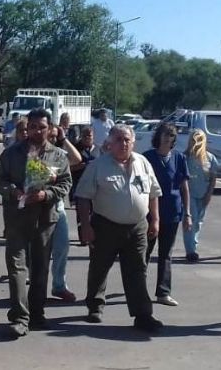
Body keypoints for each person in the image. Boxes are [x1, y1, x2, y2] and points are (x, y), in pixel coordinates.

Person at [74, 124, 164, 332]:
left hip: (138, 226)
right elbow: (83, 198)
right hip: (106, 225)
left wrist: (155, 220)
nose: (123, 144)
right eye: (119, 140)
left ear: (133, 142)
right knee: (100, 267)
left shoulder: (143, 163)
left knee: (137, 271)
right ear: (109, 143)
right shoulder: (98, 166)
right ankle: (95, 307)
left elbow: (153, 193)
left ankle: (143, 315)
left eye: (127, 140)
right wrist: (85, 226)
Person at [0, 108, 71, 337]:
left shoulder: (58, 155)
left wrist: (45, 195)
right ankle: (20, 316)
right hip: (17, 219)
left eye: (42, 127)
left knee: (40, 268)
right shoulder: (11, 154)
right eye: (33, 127)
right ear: (26, 128)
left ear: (50, 129)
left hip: (44, 219)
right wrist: (14, 192)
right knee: (17, 268)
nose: (37, 131)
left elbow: (66, 183)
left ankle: (36, 313)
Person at [143, 123, 191, 307]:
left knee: (166, 254)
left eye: (170, 135)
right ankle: (138, 288)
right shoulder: (148, 157)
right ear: (158, 136)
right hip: (150, 213)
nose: (167, 137)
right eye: (164, 134)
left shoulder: (179, 158)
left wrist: (187, 213)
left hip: (172, 212)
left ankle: (163, 292)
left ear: (174, 139)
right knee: (144, 252)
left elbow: (184, 186)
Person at [48, 124, 83, 303]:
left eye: (55, 137)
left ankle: (59, 285)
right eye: (51, 136)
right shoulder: (32, 153)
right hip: (36, 208)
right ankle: (34, 288)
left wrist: (63, 139)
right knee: (36, 252)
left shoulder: (59, 155)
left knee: (62, 247)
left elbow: (77, 159)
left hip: (58, 208)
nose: (53, 140)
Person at [183, 129, 218, 262]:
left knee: (198, 222)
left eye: (199, 139)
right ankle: (190, 250)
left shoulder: (210, 158)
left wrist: (209, 194)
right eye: (194, 139)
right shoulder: (185, 157)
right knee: (191, 221)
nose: (196, 142)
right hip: (189, 193)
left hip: (203, 193)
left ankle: (194, 245)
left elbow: (213, 178)